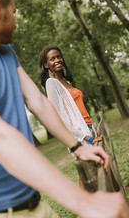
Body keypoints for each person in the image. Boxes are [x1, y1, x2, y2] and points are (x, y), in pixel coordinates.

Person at [0, 0, 128, 218]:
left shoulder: (6, 52)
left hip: (33, 200)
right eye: (14, 13)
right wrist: (84, 202)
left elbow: (39, 102)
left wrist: (77, 147)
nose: (16, 22)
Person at [39, 45, 104, 188]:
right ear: (46, 65)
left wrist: (92, 130)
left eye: (58, 56)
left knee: (94, 172)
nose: (57, 60)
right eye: (52, 59)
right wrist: (87, 137)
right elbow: (57, 116)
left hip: (88, 129)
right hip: (80, 136)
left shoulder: (66, 82)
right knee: (88, 174)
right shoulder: (52, 83)